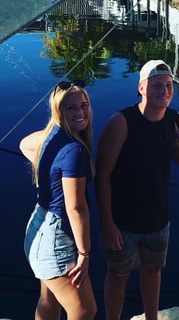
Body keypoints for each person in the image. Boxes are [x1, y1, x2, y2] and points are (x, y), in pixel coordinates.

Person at [95, 60, 179, 320]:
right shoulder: (121, 122)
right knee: (118, 275)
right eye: (156, 86)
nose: (163, 91)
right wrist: (108, 224)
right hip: (123, 223)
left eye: (168, 85)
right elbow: (102, 176)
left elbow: (175, 150)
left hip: (158, 220)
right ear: (141, 87)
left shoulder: (174, 119)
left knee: (153, 272)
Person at [20, 81, 97, 320]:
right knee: (84, 310)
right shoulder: (74, 150)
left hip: (38, 228)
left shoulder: (53, 138)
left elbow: (24, 144)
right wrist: (84, 254)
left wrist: (51, 165)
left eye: (84, 106)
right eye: (71, 108)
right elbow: (75, 208)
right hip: (55, 239)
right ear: (58, 111)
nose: (81, 113)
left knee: (49, 299)